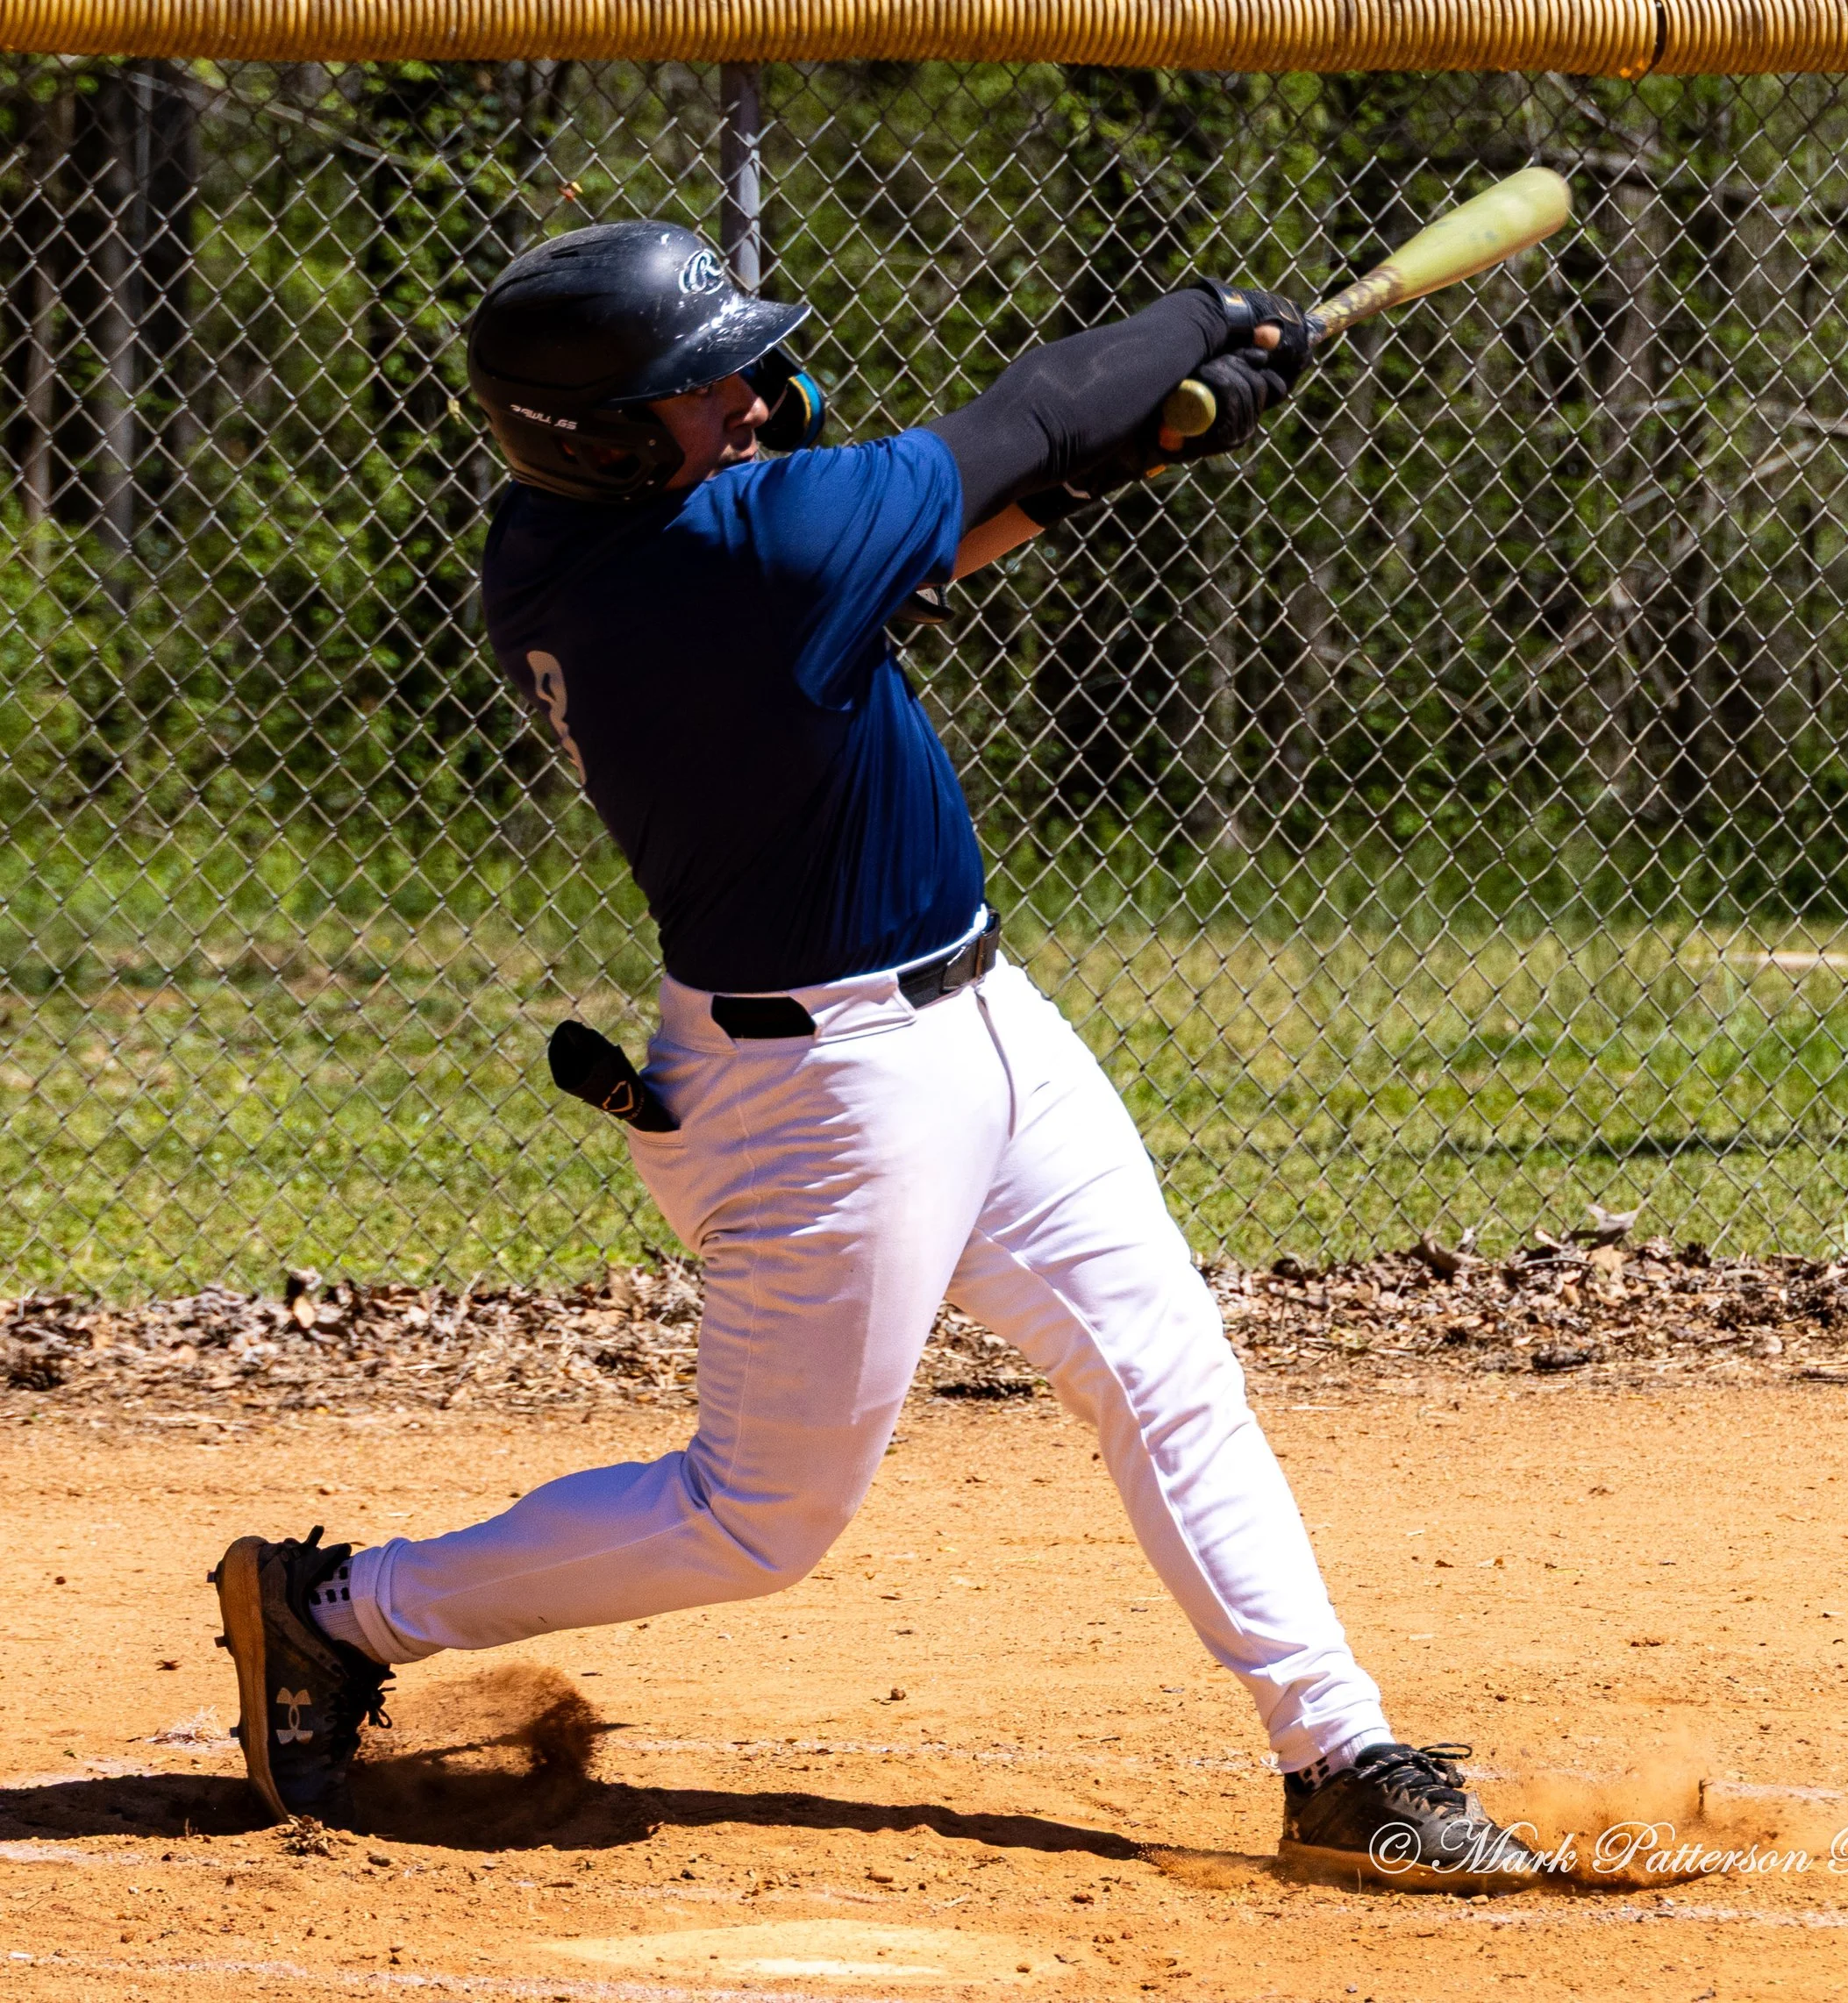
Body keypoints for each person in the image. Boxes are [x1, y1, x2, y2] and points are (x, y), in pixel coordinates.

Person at [210, 219, 1541, 1893]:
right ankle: (338, 1613)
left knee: (1166, 1372)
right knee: (756, 1521)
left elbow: (943, 533)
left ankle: (1338, 1755)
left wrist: (1116, 456)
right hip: (821, 1100)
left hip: (983, 1025)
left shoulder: (567, 541)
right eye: (706, 388)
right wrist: (1217, 321)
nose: (754, 398)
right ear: (606, 439)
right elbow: (1029, 412)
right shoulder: (738, 553)